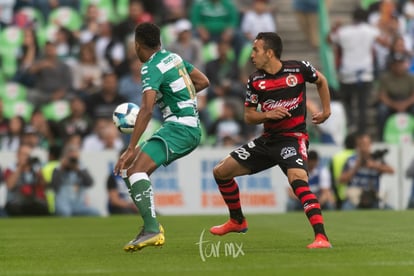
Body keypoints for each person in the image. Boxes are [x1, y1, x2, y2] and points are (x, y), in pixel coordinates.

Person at [209, 32, 332, 249]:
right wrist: (267, 115)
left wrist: (326, 110)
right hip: (267, 141)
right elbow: (249, 115)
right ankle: (237, 221)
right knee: (221, 171)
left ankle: (321, 237)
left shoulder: (299, 68)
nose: (251, 55)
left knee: (297, 180)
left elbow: (321, 81)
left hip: (293, 138)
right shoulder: (256, 80)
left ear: (269, 52)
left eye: (256, 50)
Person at [113, 22, 209, 252]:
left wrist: (130, 146)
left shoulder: (149, 67)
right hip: (185, 125)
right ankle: (150, 226)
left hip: (179, 128)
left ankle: (152, 230)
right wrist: (176, 96)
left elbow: (145, 111)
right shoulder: (173, 58)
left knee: (135, 169)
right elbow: (203, 81)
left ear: (137, 45)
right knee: (130, 169)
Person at [339, 133, 394, 210]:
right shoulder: (351, 160)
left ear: (370, 145)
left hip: (373, 196)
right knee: (346, 208)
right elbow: (341, 180)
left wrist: (375, 166)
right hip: (355, 196)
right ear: (357, 145)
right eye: (361, 144)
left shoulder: (375, 159)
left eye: (366, 144)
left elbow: (391, 170)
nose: (364, 147)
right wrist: (356, 167)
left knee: (390, 209)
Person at [51, 144, 100, 217]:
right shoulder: (58, 169)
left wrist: (78, 170)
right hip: (63, 203)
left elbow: (90, 183)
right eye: (71, 159)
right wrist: (62, 168)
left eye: (75, 159)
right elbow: (54, 186)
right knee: (65, 213)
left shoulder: (81, 168)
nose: (73, 161)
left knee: (95, 213)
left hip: (79, 204)